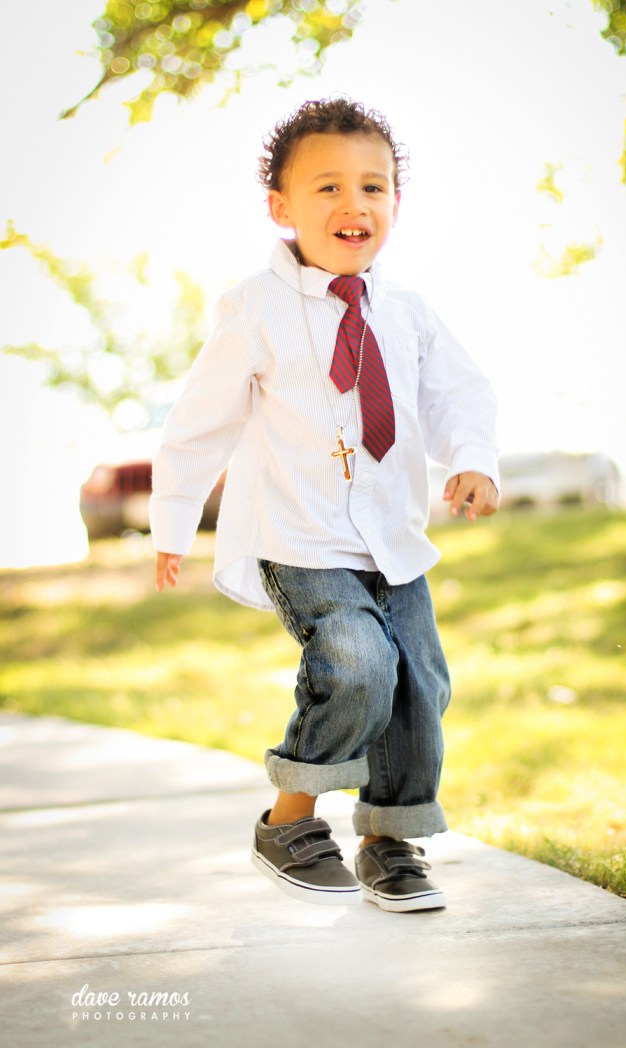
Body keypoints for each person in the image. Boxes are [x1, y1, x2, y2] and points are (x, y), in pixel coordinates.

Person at [150, 97, 500, 913]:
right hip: (301, 538)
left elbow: (459, 396)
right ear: (280, 207)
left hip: (393, 543)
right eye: (329, 188)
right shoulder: (255, 309)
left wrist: (474, 461)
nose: (354, 206)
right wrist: (173, 521)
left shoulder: (406, 310)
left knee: (419, 684)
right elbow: (200, 424)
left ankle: (390, 840)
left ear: (396, 206)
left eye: (373, 188)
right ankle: (290, 821)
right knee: (357, 663)